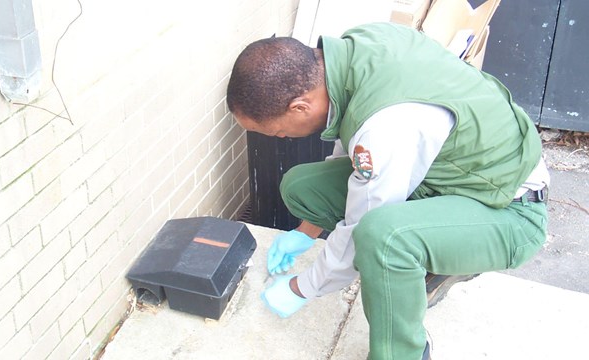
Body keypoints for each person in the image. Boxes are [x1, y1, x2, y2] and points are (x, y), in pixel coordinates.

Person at [226, 22, 549, 360]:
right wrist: (305, 233)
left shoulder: (386, 125)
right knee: (301, 187)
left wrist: (301, 287)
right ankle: (431, 252)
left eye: (278, 133)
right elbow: (354, 151)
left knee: (384, 239)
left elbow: (364, 221)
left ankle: (405, 352)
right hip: (447, 178)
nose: (282, 139)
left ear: (299, 107)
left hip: (508, 208)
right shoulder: (352, 54)